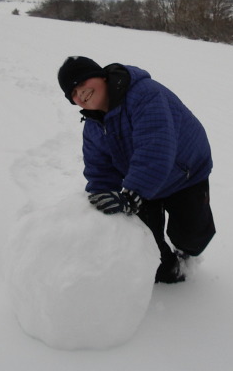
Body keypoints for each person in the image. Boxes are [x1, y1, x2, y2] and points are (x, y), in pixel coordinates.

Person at [58, 56, 215, 283]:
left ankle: (187, 255)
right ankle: (170, 270)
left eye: (82, 83)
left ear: (102, 76)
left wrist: (134, 193)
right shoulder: (93, 127)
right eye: (72, 93)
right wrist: (101, 199)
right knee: (145, 240)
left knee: (192, 236)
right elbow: (99, 170)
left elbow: (156, 145)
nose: (80, 93)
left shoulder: (143, 94)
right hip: (140, 181)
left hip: (184, 173)